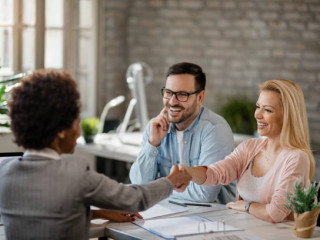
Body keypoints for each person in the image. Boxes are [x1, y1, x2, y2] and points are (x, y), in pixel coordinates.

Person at [0, 69, 191, 240]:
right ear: (60, 130)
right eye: (76, 121)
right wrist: (171, 180)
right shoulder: (74, 173)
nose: (78, 130)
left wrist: (100, 213)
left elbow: (39, 216)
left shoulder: (5, 170)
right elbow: (134, 199)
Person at [179, 79, 315, 223]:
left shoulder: (296, 158)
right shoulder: (250, 147)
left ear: (287, 116)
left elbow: (275, 213)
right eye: (258, 107)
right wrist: (188, 173)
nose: (257, 115)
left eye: (267, 110)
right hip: (247, 230)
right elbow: (216, 173)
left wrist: (246, 206)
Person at [130, 62, 236, 203]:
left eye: (182, 95)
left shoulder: (215, 129)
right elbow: (139, 184)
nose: (172, 101)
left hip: (213, 218)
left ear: (200, 97)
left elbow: (204, 194)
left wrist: (157, 189)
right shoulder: (155, 127)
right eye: (168, 93)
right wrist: (153, 143)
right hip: (170, 213)